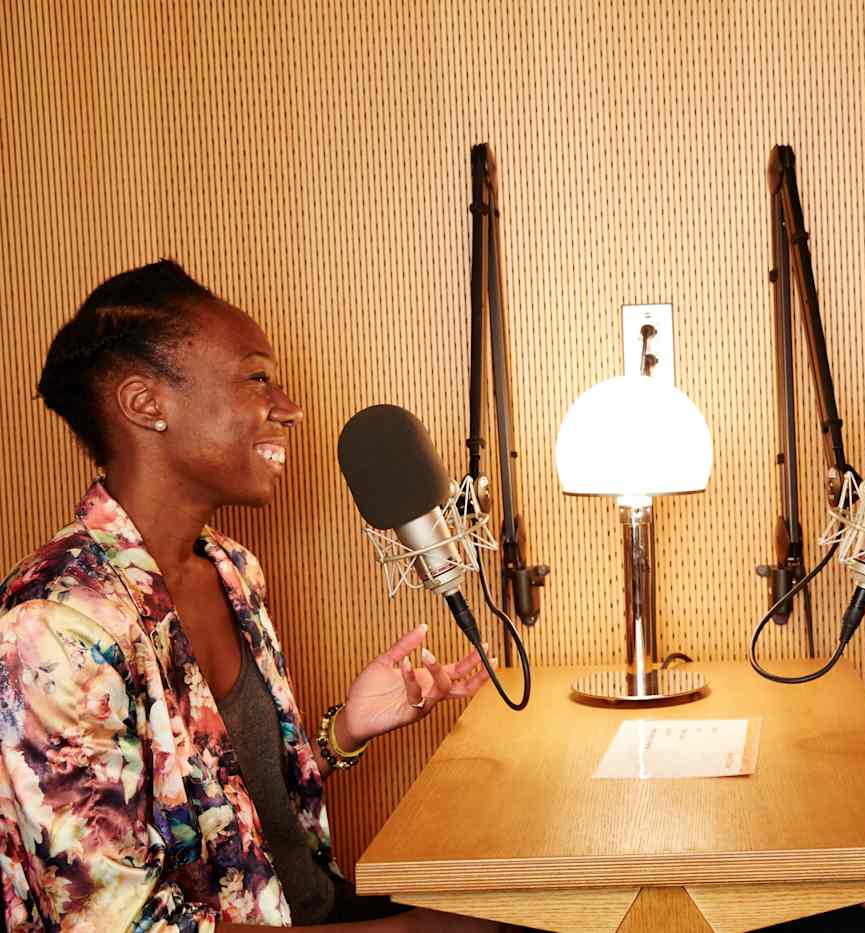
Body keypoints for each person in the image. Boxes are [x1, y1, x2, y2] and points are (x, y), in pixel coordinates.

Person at [0, 260, 501, 931]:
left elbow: (225, 809)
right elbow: (121, 925)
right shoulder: (50, 627)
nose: (290, 408)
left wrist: (344, 731)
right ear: (145, 404)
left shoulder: (233, 568)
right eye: (258, 377)